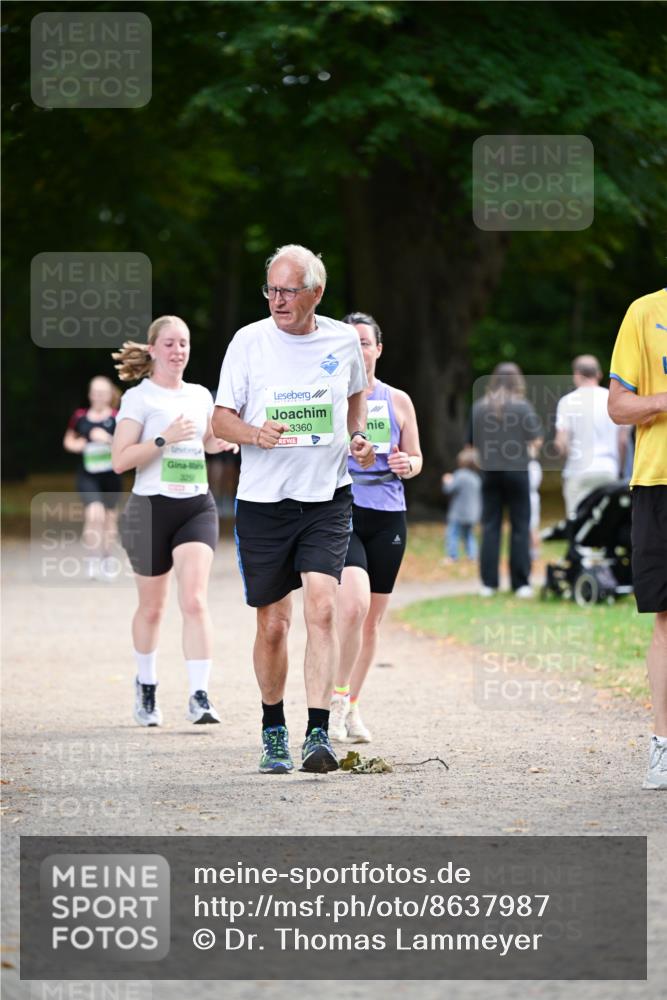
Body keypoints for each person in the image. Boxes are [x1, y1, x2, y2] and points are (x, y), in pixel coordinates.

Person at [213, 245, 375, 774]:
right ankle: (273, 729)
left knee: (323, 608)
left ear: (316, 293)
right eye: (271, 290)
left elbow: (356, 396)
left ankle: (318, 734)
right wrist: (255, 433)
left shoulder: (342, 340)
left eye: (287, 290)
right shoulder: (248, 342)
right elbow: (220, 420)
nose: (277, 300)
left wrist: (357, 436)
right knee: (275, 624)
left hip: (327, 496)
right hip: (264, 503)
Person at [111, 315, 237, 728]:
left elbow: (204, 442)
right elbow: (120, 460)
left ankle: (199, 695)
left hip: (195, 507)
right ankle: (146, 687)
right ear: (152, 349)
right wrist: (162, 437)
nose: (177, 351)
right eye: (169, 343)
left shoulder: (201, 395)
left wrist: (228, 441)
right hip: (149, 509)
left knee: (195, 600)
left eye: (183, 343)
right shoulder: (139, 399)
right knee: (152, 608)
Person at [328, 312, 422, 744]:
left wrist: (407, 464)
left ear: (378, 349)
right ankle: (332, 700)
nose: (359, 348)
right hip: (344, 510)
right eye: (351, 341)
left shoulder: (398, 399)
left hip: (388, 515)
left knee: (371, 624)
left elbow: (417, 459)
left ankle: (351, 706)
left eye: (365, 342)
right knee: (351, 608)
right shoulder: (329, 396)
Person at [608, 287, 667, 790]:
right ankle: (663, 749)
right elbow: (619, 407)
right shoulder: (646, 312)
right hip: (660, 482)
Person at [470, 362, 543, 597]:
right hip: (517, 472)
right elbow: (536, 440)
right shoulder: (522, 407)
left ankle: (488, 583)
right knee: (520, 527)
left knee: (490, 526)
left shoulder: (479, 407)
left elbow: (470, 444)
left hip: (489, 472)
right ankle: (520, 583)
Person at [63, 375, 123, 581]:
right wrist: (79, 445)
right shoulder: (80, 417)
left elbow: (126, 445)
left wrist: (107, 439)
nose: (98, 396)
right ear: (90, 395)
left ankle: (107, 559)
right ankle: (92, 560)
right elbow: (69, 440)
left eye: (102, 392)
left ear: (109, 395)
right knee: (94, 515)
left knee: (109, 519)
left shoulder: (117, 417)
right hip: (88, 476)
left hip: (111, 476)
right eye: (94, 392)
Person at [554, 354, 627, 517]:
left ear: (576, 375)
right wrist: (620, 468)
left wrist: (564, 458)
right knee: (608, 523)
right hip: (608, 469)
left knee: (577, 523)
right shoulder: (613, 400)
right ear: (599, 374)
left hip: (578, 470)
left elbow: (561, 442)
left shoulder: (567, 402)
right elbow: (623, 441)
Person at [441, 446, 481, 564]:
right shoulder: (476, 478)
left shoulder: (460, 475)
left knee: (452, 534)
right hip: (472, 514)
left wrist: (446, 481)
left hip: (458, 513)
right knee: (469, 535)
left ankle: (452, 556)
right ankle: (473, 556)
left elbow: (449, 489)